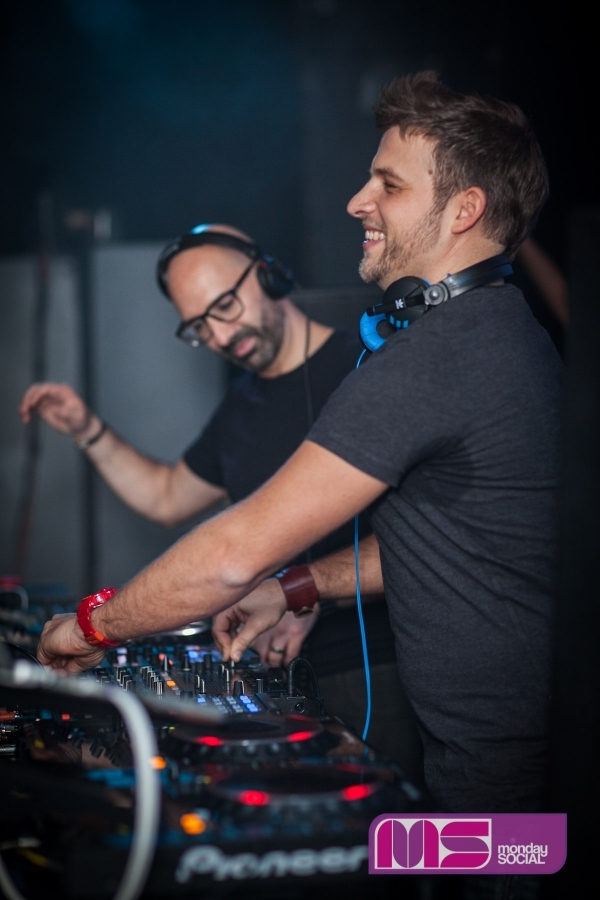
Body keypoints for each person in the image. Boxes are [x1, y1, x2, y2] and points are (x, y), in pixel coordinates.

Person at [35, 72, 561, 826]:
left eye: (388, 185)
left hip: (504, 804)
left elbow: (230, 556)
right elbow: (453, 541)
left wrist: (90, 628)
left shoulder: (435, 358)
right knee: (378, 859)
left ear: (463, 210)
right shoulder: (501, 332)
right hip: (497, 779)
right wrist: (293, 588)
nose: (357, 201)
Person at [19, 224, 422, 780]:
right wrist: (88, 430)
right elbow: (166, 496)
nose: (221, 335)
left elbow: (430, 538)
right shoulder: (240, 406)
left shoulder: (368, 366)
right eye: (199, 326)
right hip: (272, 679)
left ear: (268, 273)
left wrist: (308, 595)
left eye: (225, 306)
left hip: (381, 669)